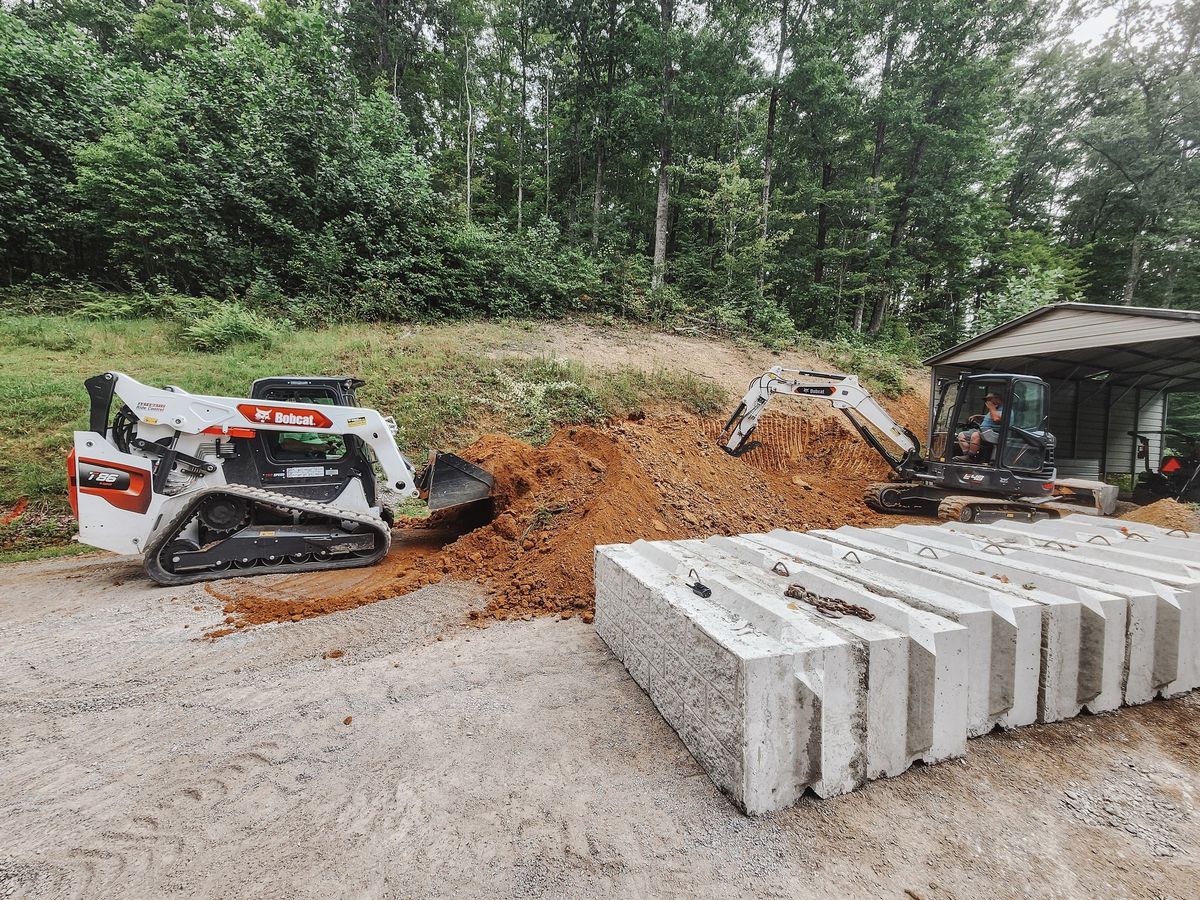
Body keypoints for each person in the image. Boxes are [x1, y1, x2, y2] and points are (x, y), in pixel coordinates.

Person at [955, 392, 1004, 461]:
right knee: (961, 435)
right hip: (983, 430)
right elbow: (991, 417)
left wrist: (991, 407)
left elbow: (996, 419)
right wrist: (979, 416)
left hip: (993, 432)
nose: (987, 401)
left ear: (998, 399)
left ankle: (971, 456)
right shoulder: (995, 409)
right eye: (986, 400)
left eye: (989, 399)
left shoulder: (1004, 409)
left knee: (975, 435)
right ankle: (967, 456)